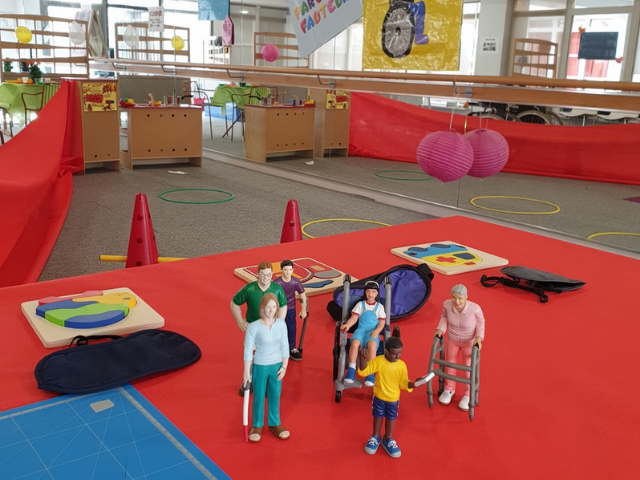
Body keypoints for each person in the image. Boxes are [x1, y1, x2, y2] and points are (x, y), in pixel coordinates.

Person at [357, 336, 420, 459]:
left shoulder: (401, 365)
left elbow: (403, 382)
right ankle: (375, 436)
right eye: (394, 354)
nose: (397, 357)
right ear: (386, 351)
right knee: (378, 416)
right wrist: (363, 359)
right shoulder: (378, 361)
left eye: (399, 354)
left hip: (393, 399)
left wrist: (412, 384)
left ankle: (388, 438)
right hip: (379, 397)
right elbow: (364, 372)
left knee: (391, 418)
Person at [243, 293, 290, 443]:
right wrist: (246, 372)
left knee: (275, 394)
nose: (270, 310)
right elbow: (248, 350)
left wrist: (284, 366)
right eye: (267, 307)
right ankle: (257, 424)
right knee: (258, 395)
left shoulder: (281, 325)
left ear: (277, 308)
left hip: (276, 365)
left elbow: (285, 345)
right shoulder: (253, 327)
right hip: (260, 366)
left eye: (273, 307)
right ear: (262, 308)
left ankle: (274, 423)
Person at [434, 284, 485, 412]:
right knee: (450, 364)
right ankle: (449, 389)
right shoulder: (447, 305)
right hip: (453, 340)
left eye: (460, 299)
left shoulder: (474, 309)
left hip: (469, 342)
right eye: (454, 298)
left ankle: (468, 394)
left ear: (466, 297)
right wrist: (440, 329)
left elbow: (481, 323)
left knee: (468, 368)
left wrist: (479, 338)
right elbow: (444, 318)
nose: (456, 301)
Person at [340, 280, 386, 387]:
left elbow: (382, 323)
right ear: (365, 292)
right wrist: (347, 325)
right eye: (368, 291)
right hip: (361, 331)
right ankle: (351, 369)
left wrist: (377, 331)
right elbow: (354, 318)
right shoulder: (360, 305)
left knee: (372, 345)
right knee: (355, 343)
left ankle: (370, 372)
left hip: (372, 332)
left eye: (373, 292)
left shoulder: (379, 307)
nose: (370, 294)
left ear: (377, 293)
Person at [230, 261, 287, 333]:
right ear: (258, 274)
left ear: (272, 274)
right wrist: (240, 322)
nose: (266, 278)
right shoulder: (249, 289)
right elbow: (234, 303)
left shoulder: (277, 289)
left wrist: (279, 322)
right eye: (263, 275)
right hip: (252, 326)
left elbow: (283, 306)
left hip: (271, 327)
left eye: (268, 275)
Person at [273, 260, 307, 361]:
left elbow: (302, 296)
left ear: (293, 270)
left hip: (290, 309)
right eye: (285, 270)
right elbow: (271, 297)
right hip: (278, 310)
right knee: (277, 328)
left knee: (291, 328)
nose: (288, 272)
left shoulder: (295, 282)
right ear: (281, 270)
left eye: (290, 270)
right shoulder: (277, 283)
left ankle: (292, 348)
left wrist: (303, 310)